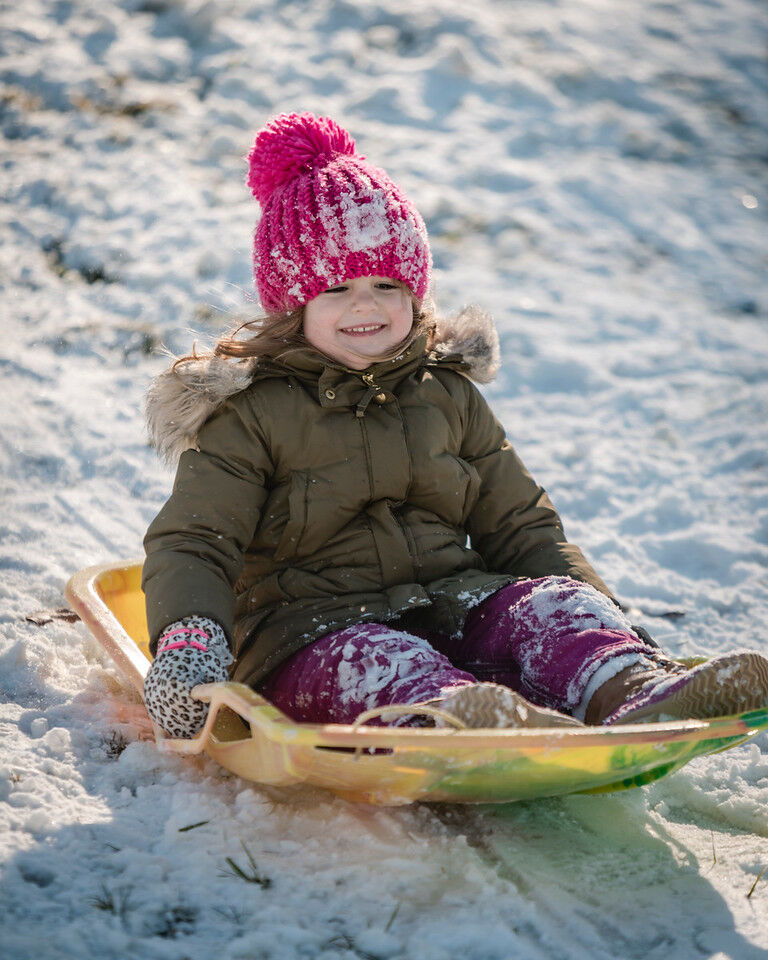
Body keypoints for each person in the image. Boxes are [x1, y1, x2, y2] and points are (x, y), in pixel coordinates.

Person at [142, 112, 768, 739]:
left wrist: (602, 616)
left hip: (451, 604)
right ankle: (459, 719)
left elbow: (521, 524)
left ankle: (628, 688)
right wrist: (188, 642)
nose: (366, 304)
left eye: (387, 282)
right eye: (336, 288)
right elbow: (196, 542)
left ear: (415, 292)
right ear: (293, 303)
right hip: (310, 635)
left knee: (551, 608)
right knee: (379, 663)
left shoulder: (447, 394)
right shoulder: (249, 415)